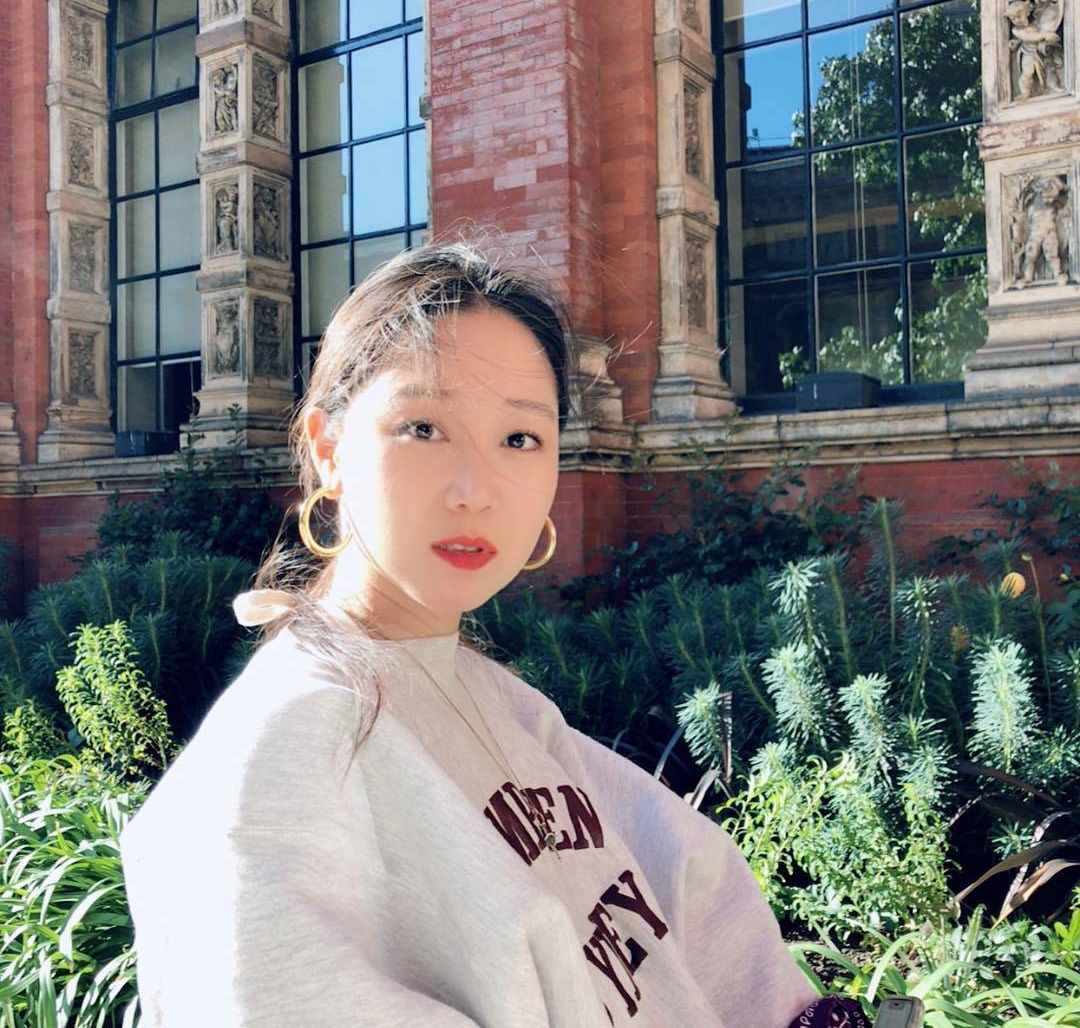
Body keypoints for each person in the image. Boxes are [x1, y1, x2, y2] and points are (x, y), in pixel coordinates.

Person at [119, 241, 831, 1026]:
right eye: (424, 427)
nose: (475, 490)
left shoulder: (504, 708)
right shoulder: (285, 748)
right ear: (329, 449)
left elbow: (701, 899)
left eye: (520, 439)